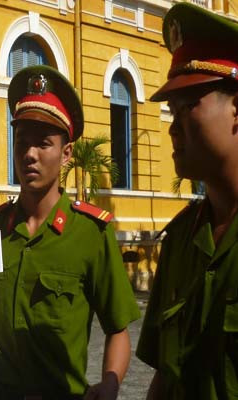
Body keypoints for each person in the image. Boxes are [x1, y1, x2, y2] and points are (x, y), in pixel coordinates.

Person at [0, 65, 140, 400]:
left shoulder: (89, 233)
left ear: (66, 154)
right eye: (22, 143)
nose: (30, 155)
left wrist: (110, 383)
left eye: (43, 144)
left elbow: (117, 328)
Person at [136, 4, 238, 399]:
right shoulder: (182, 238)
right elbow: (164, 377)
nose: (173, 127)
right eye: (171, 110)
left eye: (188, 105)